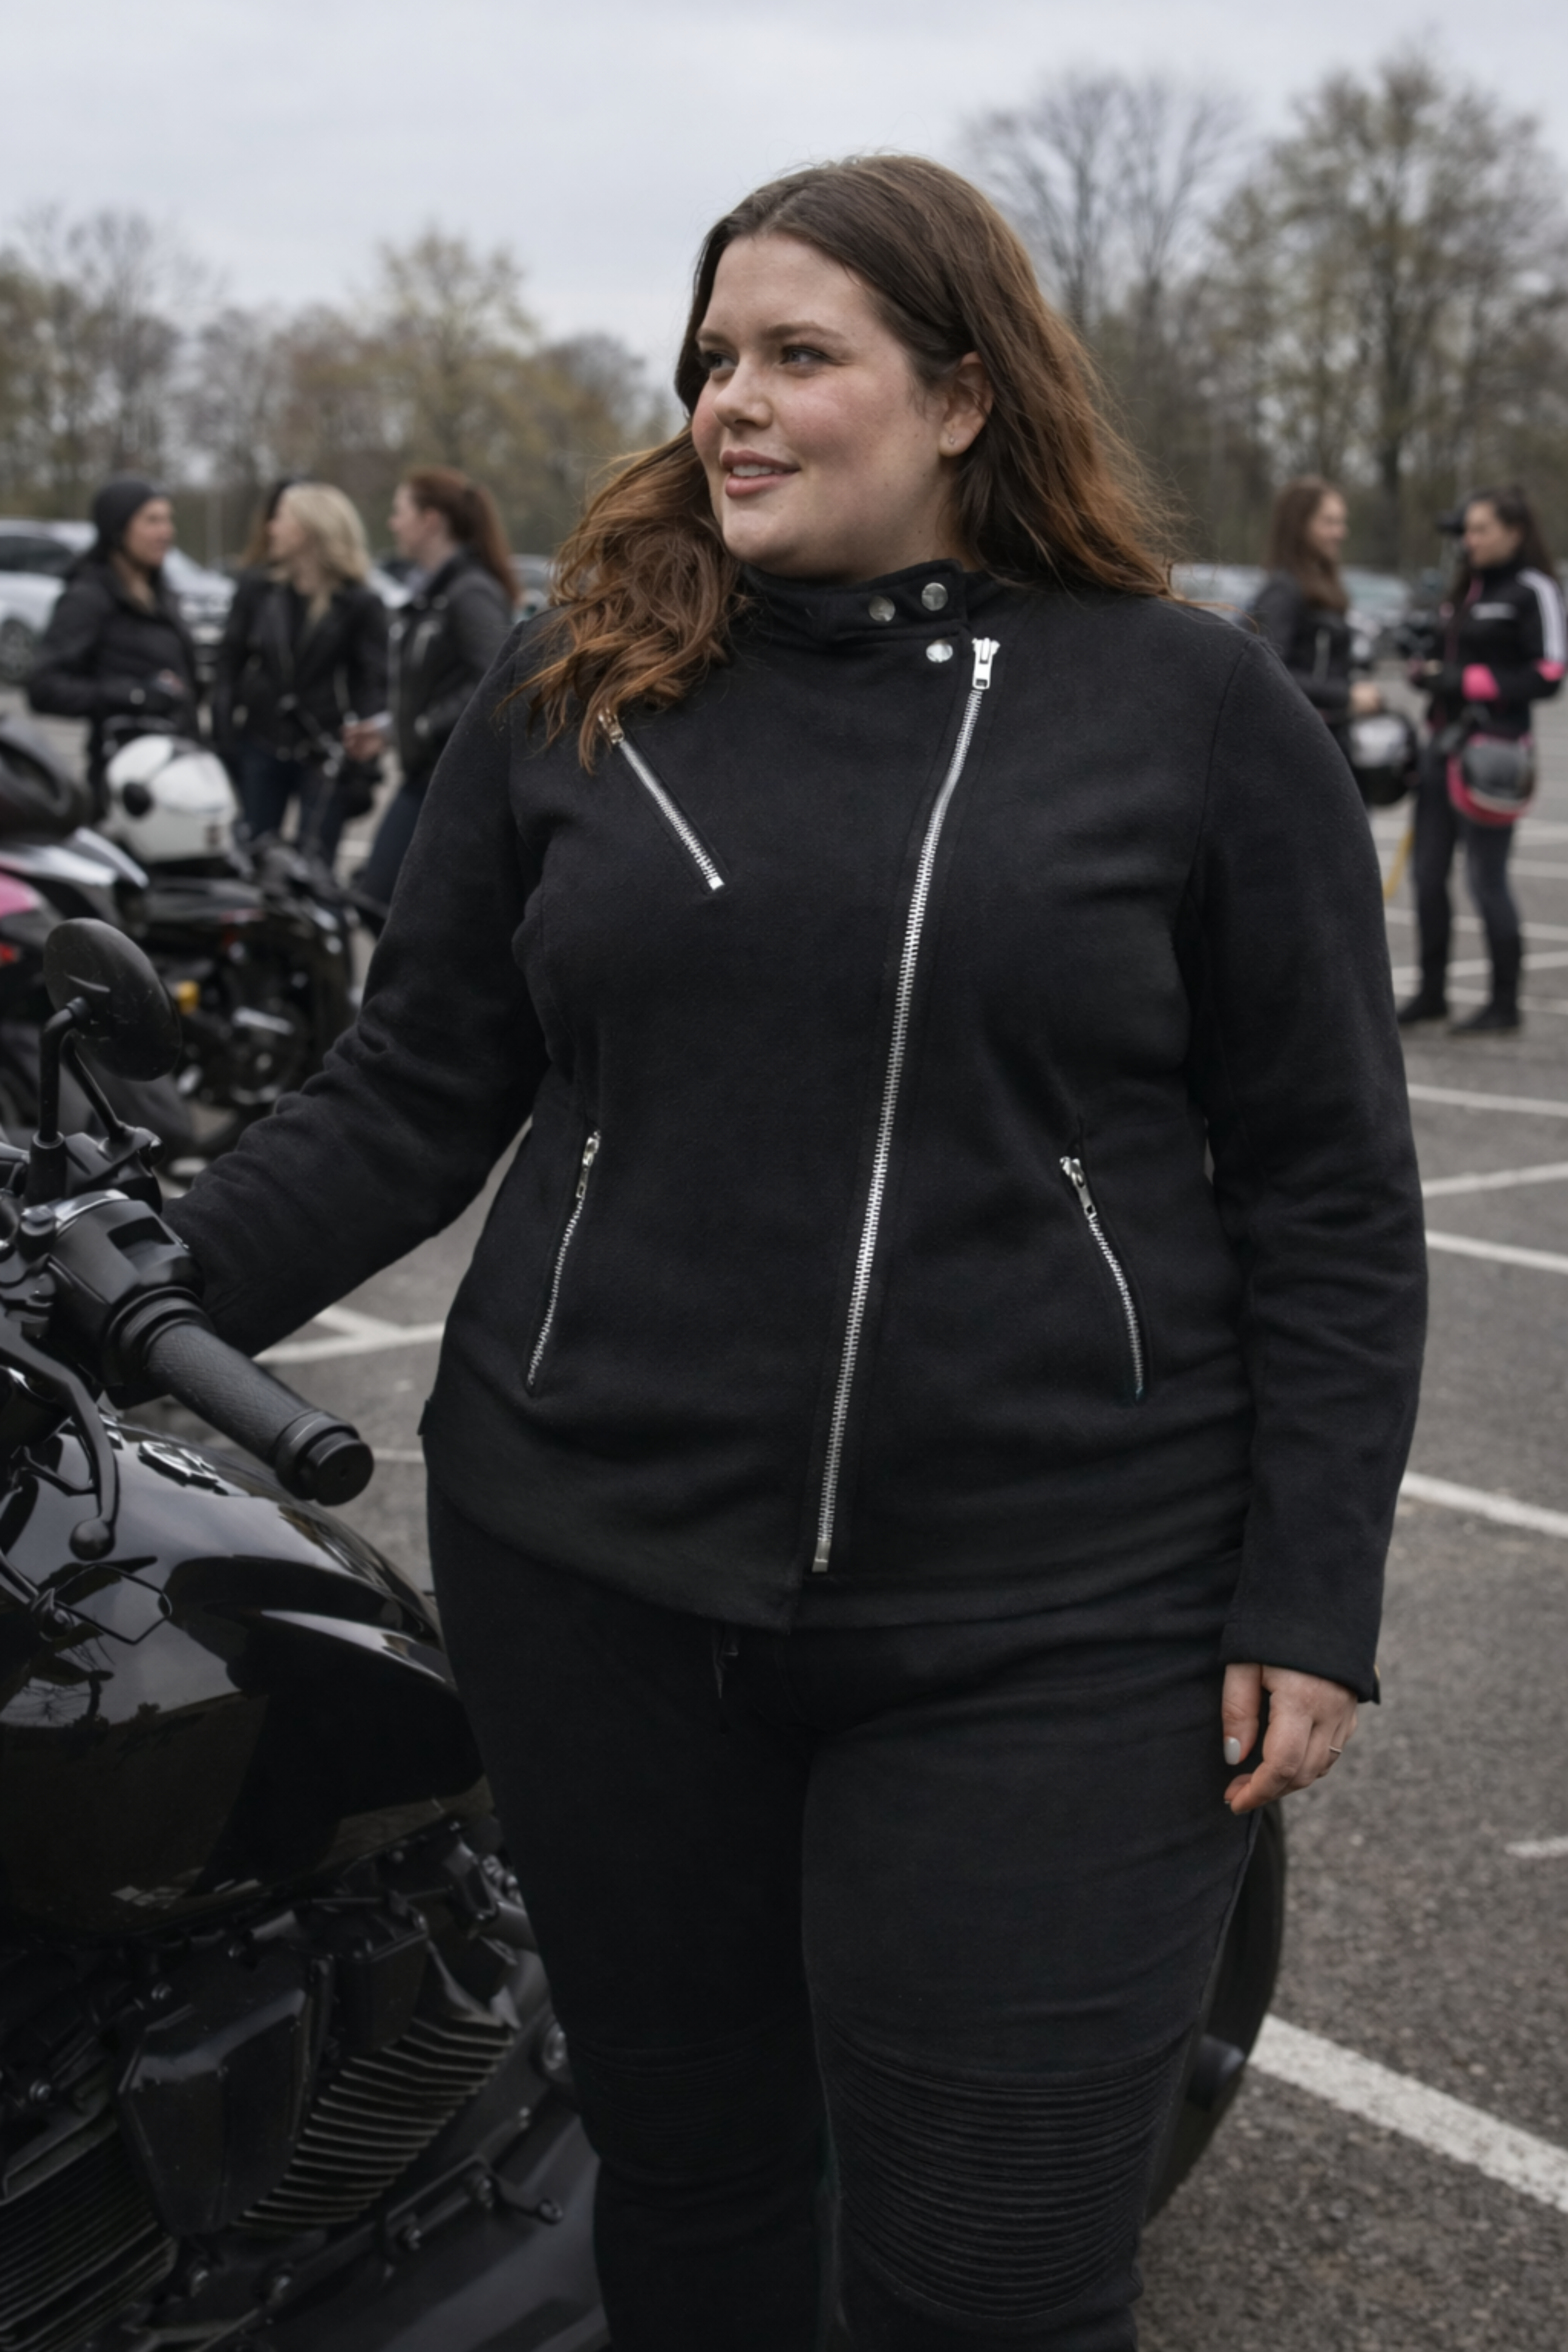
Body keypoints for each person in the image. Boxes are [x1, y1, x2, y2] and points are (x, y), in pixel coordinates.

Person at [165, 157, 1426, 2351]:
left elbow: (1328, 1184)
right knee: (701, 2190)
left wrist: (1311, 1581)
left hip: (1061, 1613)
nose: (731, 402)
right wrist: (114, 1286)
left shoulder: (1192, 711)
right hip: (594, 1582)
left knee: (992, 2279)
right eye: (712, 359)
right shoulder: (577, 693)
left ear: (959, 395)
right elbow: (401, 1096)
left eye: (796, 357)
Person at [1398, 485, 1567, 1035]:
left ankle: (1503, 1004)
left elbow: (1548, 674)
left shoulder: (1531, 590)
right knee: (1425, 876)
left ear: (1513, 533)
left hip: (1492, 753)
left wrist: (1469, 681)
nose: (1467, 541)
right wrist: (1421, 666)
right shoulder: (1463, 588)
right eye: (1464, 531)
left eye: (1479, 530)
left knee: (1485, 881)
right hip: (1438, 746)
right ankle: (1430, 992)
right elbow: (1442, 659)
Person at [344, 466, 516, 914]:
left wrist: (423, 729)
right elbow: (434, 681)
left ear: (431, 520)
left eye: (400, 511)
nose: (392, 523)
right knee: (388, 902)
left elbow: (496, 681)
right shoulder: (433, 594)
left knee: (383, 900)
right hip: (427, 778)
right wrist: (388, 731)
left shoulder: (470, 592)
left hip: (448, 784)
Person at [211, 481, 389, 867]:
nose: (271, 528)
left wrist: (365, 770)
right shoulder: (257, 590)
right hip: (259, 744)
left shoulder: (361, 603)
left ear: (310, 529)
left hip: (323, 753)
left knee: (314, 869)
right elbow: (228, 665)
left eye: (281, 519)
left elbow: (372, 687)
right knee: (252, 863)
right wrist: (224, 740)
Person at [28, 475, 199, 796]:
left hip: (174, 771)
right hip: (123, 783)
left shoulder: (161, 593)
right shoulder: (89, 598)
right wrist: (133, 695)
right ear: (117, 528)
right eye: (152, 521)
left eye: (168, 521)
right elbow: (44, 688)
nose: (167, 532)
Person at [1249, 476, 1380, 772]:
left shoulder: (1323, 586)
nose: (1341, 532)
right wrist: (1345, 696)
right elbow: (1268, 673)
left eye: (1342, 522)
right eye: (1329, 522)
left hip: (1328, 741)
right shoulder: (1283, 592)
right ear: (1299, 525)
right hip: (1297, 751)